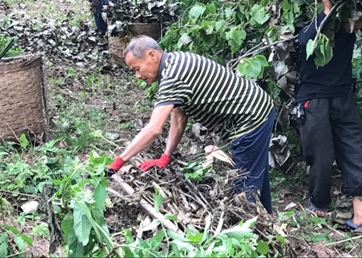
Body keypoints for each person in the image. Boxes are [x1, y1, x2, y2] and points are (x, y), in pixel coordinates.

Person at [105, 36, 275, 214]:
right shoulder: (174, 62)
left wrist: (118, 162)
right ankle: (267, 224)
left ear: (152, 55)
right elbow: (178, 117)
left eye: (137, 69)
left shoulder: (172, 76)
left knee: (245, 187)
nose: (138, 76)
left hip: (250, 119)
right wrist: (166, 156)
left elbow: (154, 128)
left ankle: (252, 234)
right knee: (255, 177)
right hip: (258, 109)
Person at [296, 0, 362, 234]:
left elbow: (359, 21)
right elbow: (303, 42)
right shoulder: (310, 25)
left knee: (354, 151)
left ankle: (360, 214)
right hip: (315, 99)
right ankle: (318, 202)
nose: (353, 22)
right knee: (321, 155)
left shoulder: (350, 26)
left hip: (344, 96)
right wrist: (326, 10)